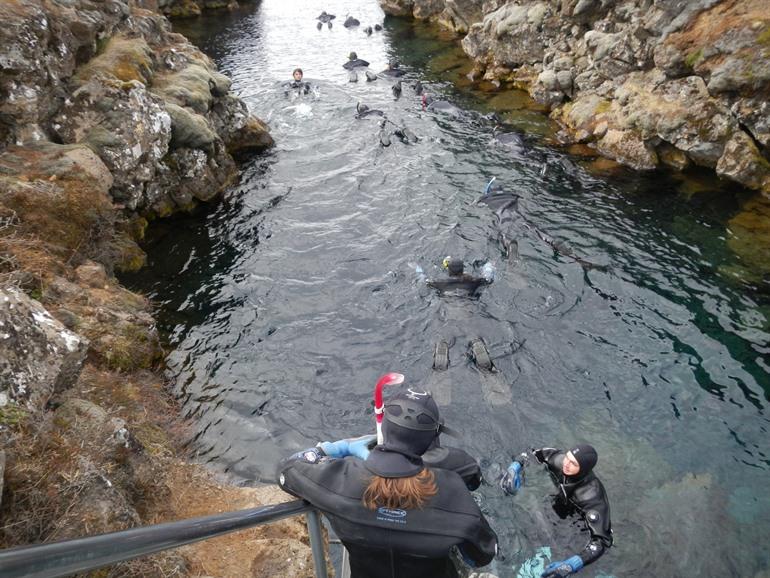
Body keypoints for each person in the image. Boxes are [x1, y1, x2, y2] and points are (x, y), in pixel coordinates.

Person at [278, 388, 498, 578]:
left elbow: (287, 469)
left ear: (383, 427)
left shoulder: (340, 481)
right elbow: (481, 556)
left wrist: (338, 448)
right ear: (432, 438)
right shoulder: (453, 493)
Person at [500, 444, 613, 577]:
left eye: (573, 463)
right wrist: (515, 467)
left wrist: (573, 564)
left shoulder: (592, 497)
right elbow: (532, 453)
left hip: (579, 527)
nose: (566, 464)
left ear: (583, 469)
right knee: (535, 513)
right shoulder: (561, 461)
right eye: (567, 457)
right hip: (559, 506)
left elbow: (602, 541)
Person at [424, 256, 494, 297]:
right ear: (462, 269)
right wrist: (488, 266)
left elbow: (425, 280)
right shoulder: (474, 281)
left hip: (449, 305)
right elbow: (488, 279)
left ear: (449, 270)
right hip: (469, 305)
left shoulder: (439, 283)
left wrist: (418, 270)